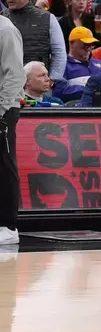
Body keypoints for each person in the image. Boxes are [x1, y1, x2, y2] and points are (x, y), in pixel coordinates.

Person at [0, 14, 26, 244]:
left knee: (4, 164)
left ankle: (8, 226)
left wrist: (1, 110)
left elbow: (16, 74)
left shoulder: (5, 30)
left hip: (3, 108)